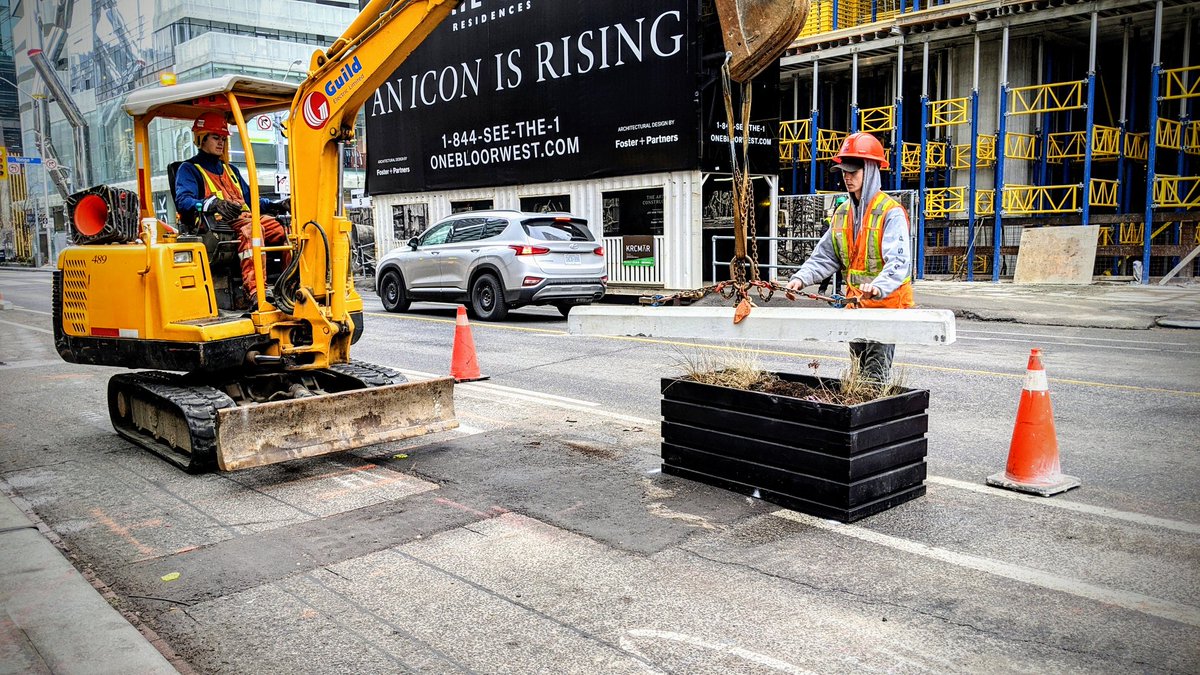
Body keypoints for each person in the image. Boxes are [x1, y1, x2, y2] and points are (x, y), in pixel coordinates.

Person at [786, 132, 914, 388]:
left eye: (853, 171)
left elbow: (899, 262)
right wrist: (801, 279)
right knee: (858, 372)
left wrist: (879, 286)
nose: (847, 176)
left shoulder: (891, 212)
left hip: (886, 307)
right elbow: (825, 256)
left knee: (873, 377)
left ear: (870, 170)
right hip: (856, 306)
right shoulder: (842, 212)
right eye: (844, 171)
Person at [174, 111, 291, 301]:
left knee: (286, 229)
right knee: (253, 230)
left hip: (245, 220)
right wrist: (212, 204)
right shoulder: (189, 169)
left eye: (223, 138)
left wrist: (276, 205)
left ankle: (290, 284)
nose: (221, 142)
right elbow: (183, 201)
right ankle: (255, 291)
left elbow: (250, 201)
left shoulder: (231, 170)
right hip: (217, 227)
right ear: (201, 138)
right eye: (215, 137)